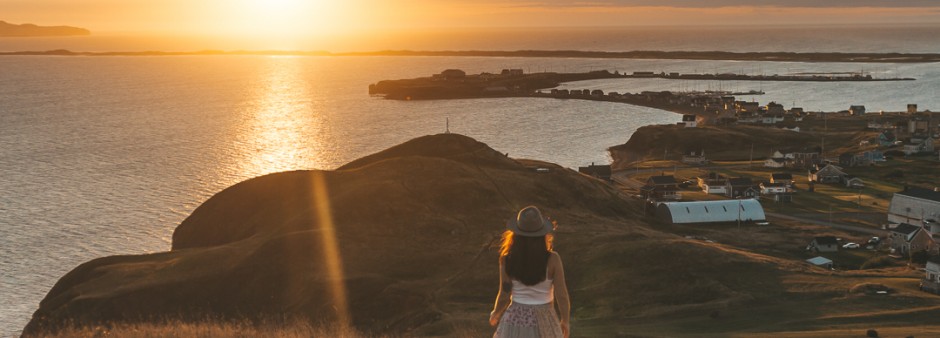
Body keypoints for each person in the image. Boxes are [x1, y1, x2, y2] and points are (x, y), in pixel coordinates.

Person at [489, 206, 570, 338]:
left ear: (515, 234)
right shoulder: (553, 259)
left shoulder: (507, 259)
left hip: (514, 319)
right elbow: (562, 294)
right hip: (545, 318)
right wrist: (565, 321)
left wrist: (496, 313)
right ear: (543, 234)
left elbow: (504, 293)